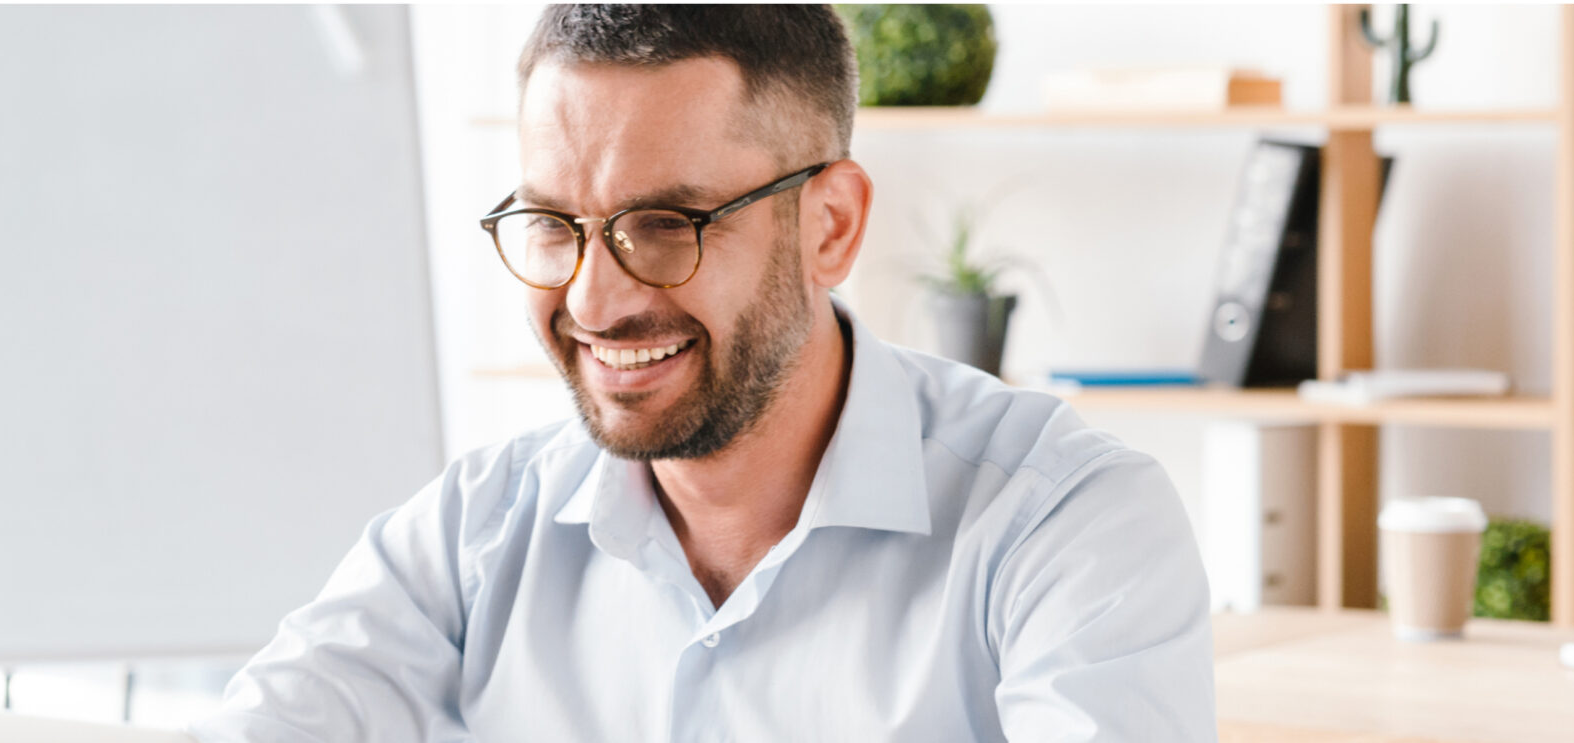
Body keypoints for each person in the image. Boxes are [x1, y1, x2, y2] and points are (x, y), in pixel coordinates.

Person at [189, 6, 1212, 741]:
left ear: (831, 224)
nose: (592, 300)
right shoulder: (472, 533)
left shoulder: (1062, 523)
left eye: (663, 224)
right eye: (554, 225)